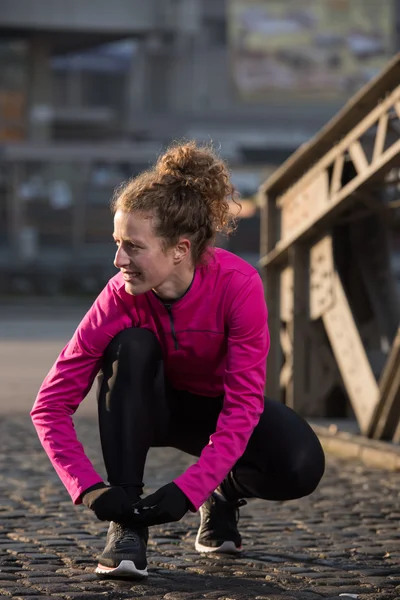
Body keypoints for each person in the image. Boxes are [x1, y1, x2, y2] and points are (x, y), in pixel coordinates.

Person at [31, 141, 325, 580]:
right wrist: (90, 489)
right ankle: (127, 527)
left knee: (302, 465)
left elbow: (243, 406)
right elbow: (49, 406)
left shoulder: (238, 285)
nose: (118, 260)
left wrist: (193, 489)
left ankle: (223, 493)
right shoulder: (117, 298)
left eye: (133, 247)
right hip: (148, 408)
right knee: (132, 346)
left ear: (179, 250)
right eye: (117, 243)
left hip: (214, 410)